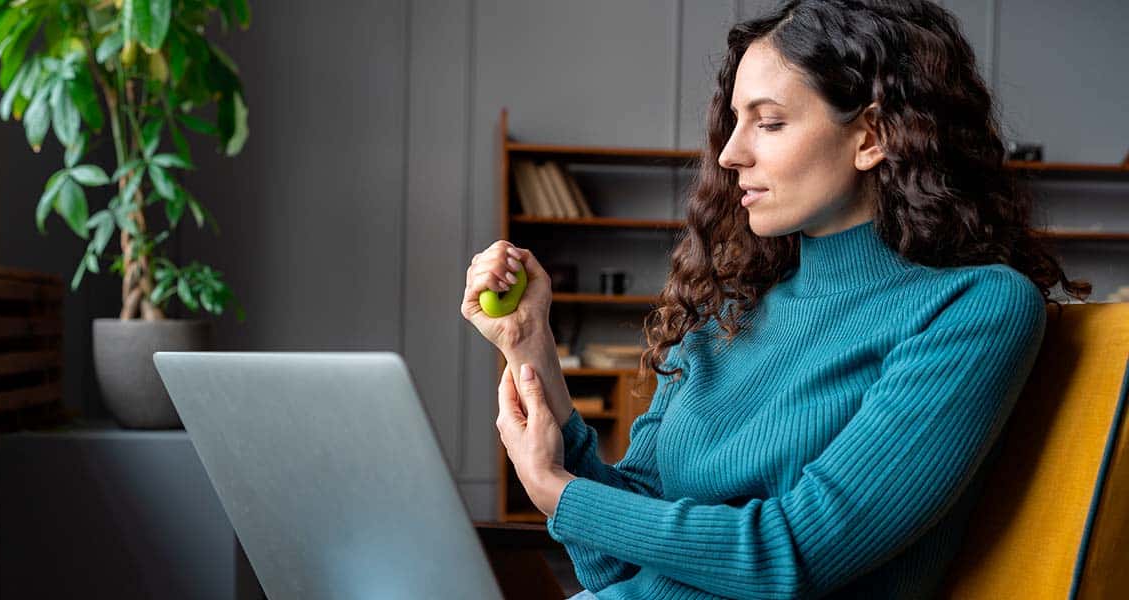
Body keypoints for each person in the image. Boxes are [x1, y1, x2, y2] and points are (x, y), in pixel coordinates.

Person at [460, 1, 1091, 597]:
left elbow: (791, 556)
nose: (731, 153)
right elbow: (614, 559)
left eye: (769, 122)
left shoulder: (975, 307)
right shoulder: (730, 311)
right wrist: (529, 346)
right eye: (735, 122)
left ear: (872, 136)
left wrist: (558, 492)